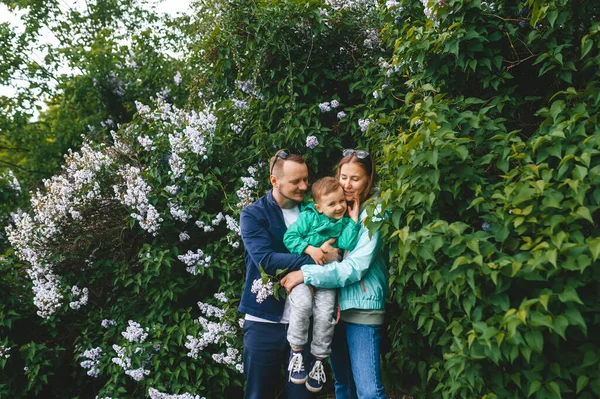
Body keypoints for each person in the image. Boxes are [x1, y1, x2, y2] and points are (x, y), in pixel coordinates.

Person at [281, 149, 388, 399]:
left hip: (362, 308)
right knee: (343, 386)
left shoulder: (375, 212)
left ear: (368, 180)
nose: (347, 185)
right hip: (336, 306)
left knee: (369, 392)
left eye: (355, 179)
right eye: (343, 177)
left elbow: (356, 266)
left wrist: (305, 274)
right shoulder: (331, 210)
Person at [239, 150, 339, 399]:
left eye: (306, 179)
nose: (304, 186)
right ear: (275, 181)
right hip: (264, 322)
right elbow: (266, 260)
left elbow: (336, 254)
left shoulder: (314, 211)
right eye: (296, 181)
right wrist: (313, 258)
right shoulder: (254, 214)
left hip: (305, 322)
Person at [283, 176, 360, 393]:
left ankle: (318, 361)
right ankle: (296, 351)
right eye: (332, 204)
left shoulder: (344, 221)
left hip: (327, 275)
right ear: (318, 207)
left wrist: (353, 220)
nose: (339, 207)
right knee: (304, 305)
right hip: (304, 271)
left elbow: (346, 243)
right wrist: (311, 250)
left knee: (326, 313)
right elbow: (290, 238)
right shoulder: (309, 217)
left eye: (341, 202)